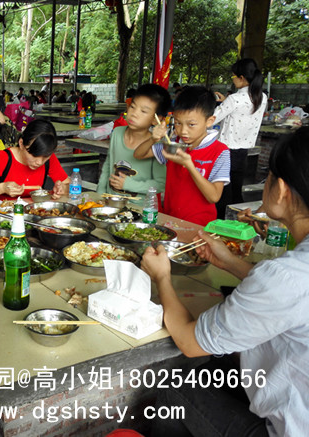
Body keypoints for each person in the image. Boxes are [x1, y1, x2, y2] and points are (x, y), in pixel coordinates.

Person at [140, 127, 309, 437]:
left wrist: (162, 276)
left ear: (282, 188)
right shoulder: (292, 273)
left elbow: (189, 342)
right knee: (213, 370)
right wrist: (230, 262)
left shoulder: (286, 276)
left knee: (174, 388)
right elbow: (291, 294)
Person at [134, 86, 230, 226]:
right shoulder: (173, 145)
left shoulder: (220, 152)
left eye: (191, 124)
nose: (183, 131)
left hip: (199, 226)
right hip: (169, 221)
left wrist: (189, 165)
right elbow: (138, 154)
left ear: (209, 121)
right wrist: (153, 139)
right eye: (178, 123)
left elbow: (213, 197)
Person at [96, 84, 169, 203]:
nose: (134, 114)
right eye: (133, 107)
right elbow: (108, 166)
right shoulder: (117, 133)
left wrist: (129, 184)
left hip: (138, 210)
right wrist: (99, 195)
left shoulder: (156, 146)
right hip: (110, 203)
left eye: (143, 111)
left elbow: (161, 184)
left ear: (156, 119)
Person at [213, 58, 267, 214]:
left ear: (242, 78)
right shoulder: (261, 97)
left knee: (222, 191)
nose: (233, 79)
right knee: (236, 191)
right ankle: (238, 222)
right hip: (243, 151)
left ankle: (219, 223)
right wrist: (226, 103)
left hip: (226, 150)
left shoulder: (234, 99)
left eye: (233, 76)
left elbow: (212, 119)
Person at [0, 119, 69, 201]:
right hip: (3, 214)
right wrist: (3, 188)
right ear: (21, 143)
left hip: (33, 213)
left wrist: (63, 188)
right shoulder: (5, 158)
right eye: (34, 155)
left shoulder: (49, 159)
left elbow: (71, 186)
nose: (39, 162)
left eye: (45, 157)